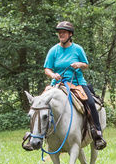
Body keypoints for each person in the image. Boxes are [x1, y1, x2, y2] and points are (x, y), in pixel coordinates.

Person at [43, 20, 106, 150]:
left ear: (70, 34)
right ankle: (37, 135)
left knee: (91, 103)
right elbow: (47, 69)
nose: (61, 35)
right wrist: (53, 75)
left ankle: (97, 134)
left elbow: (86, 65)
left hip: (77, 83)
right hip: (57, 84)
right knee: (39, 104)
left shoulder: (77, 49)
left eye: (64, 33)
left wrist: (79, 64)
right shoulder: (53, 50)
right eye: (60, 33)